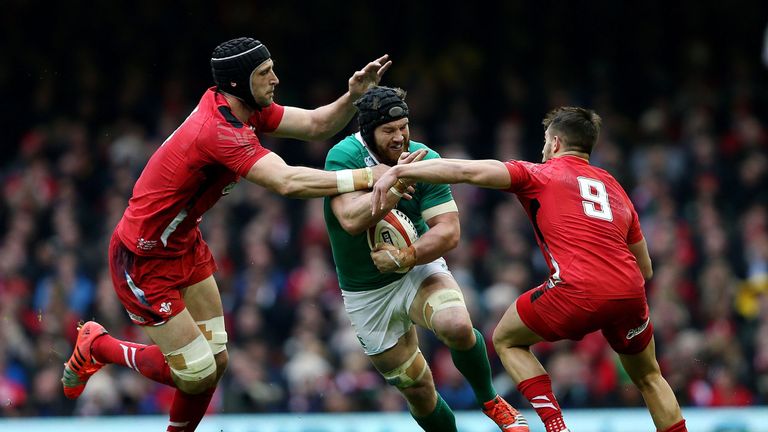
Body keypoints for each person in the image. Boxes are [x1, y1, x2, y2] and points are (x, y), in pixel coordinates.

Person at [61, 37, 395, 432]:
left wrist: (352, 98)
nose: (275, 78)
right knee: (197, 372)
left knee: (216, 361)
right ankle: (97, 345)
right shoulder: (219, 130)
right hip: (143, 258)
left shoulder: (240, 106)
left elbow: (316, 124)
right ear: (238, 83)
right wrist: (366, 177)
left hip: (184, 243)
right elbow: (286, 181)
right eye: (264, 73)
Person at [372, 106, 688, 432]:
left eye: (544, 142)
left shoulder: (540, 174)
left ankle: (555, 427)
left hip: (577, 290)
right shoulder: (615, 189)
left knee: (506, 338)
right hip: (629, 292)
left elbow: (469, 172)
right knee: (650, 376)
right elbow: (646, 268)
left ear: (554, 143)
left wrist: (404, 171)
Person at [322, 86, 528, 432]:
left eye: (404, 126)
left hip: (414, 269)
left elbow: (449, 231)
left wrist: (406, 256)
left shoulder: (424, 158)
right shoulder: (344, 157)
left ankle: (491, 400)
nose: (400, 137)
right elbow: (352, 219)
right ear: (367, 131)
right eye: (389, 130)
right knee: (418, 390)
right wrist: (396, 188)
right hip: (366, 293)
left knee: (457, 325)